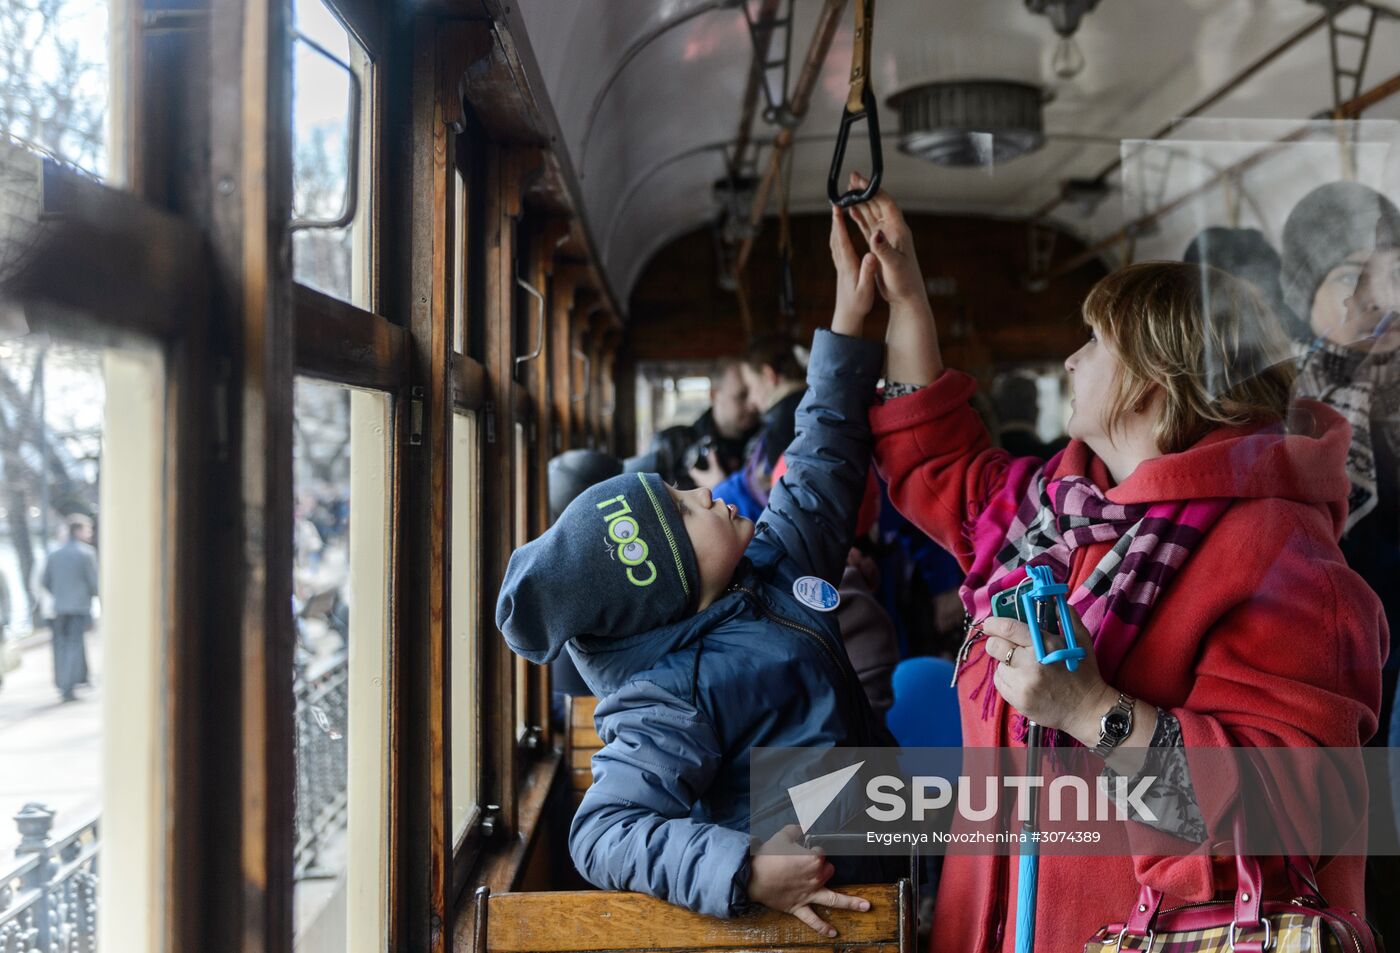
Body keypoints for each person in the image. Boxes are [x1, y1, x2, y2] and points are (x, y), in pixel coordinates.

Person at [833, 173, 1385, 952]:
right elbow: (940, 460)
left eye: (1094, 342)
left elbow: (1290, 814)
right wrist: (908, 292)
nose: (1068, 358)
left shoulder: (1286, 561)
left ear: (1152, 384)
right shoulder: (1062, 512)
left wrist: (1094, 710)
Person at [495, 257, 893, 931]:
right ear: (666, 585)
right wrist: (744, 866)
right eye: (683, 510)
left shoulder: (768, 564)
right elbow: (602, 832)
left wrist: (848, 322)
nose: (707, 493)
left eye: (683, 493)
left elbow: (821, 461)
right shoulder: (668, 694)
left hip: (884, 837)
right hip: (824, 908)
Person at [710, 332, 808, 519]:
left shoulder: (781, 427)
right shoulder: (810, 407)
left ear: (768, 375)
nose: (752, 402)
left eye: (751, 387)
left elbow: (783, 508)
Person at [41, 514, 99, 702]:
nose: (90, 533)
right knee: (74, 645)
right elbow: (94, 583)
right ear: (78, 531)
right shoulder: (86, 553)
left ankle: (70, 681)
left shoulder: (54, 553)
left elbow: (45, 581)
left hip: (59, 607)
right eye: (87, 529)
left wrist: (60, 595)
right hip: (79, 607)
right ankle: (69, 687)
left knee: (61, 646)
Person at [689, 358, 760, 488]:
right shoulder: (675, 446)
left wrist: (721, 489)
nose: (752, 404)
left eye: (754, 392)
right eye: (742, 395)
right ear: (714, 394)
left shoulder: (769, 440)